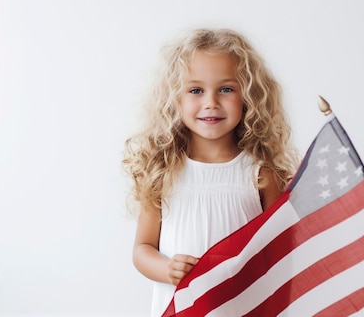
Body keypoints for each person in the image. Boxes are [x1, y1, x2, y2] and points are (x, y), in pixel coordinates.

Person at [122, 28, 298, 316]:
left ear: (248, 96)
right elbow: (142, 249)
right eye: (195, 90)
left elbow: (280, 253)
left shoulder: (260, 174)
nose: (211, 102)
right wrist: (168, 269)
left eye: (226, 89)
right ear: (174, 99)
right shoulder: (163, 172)